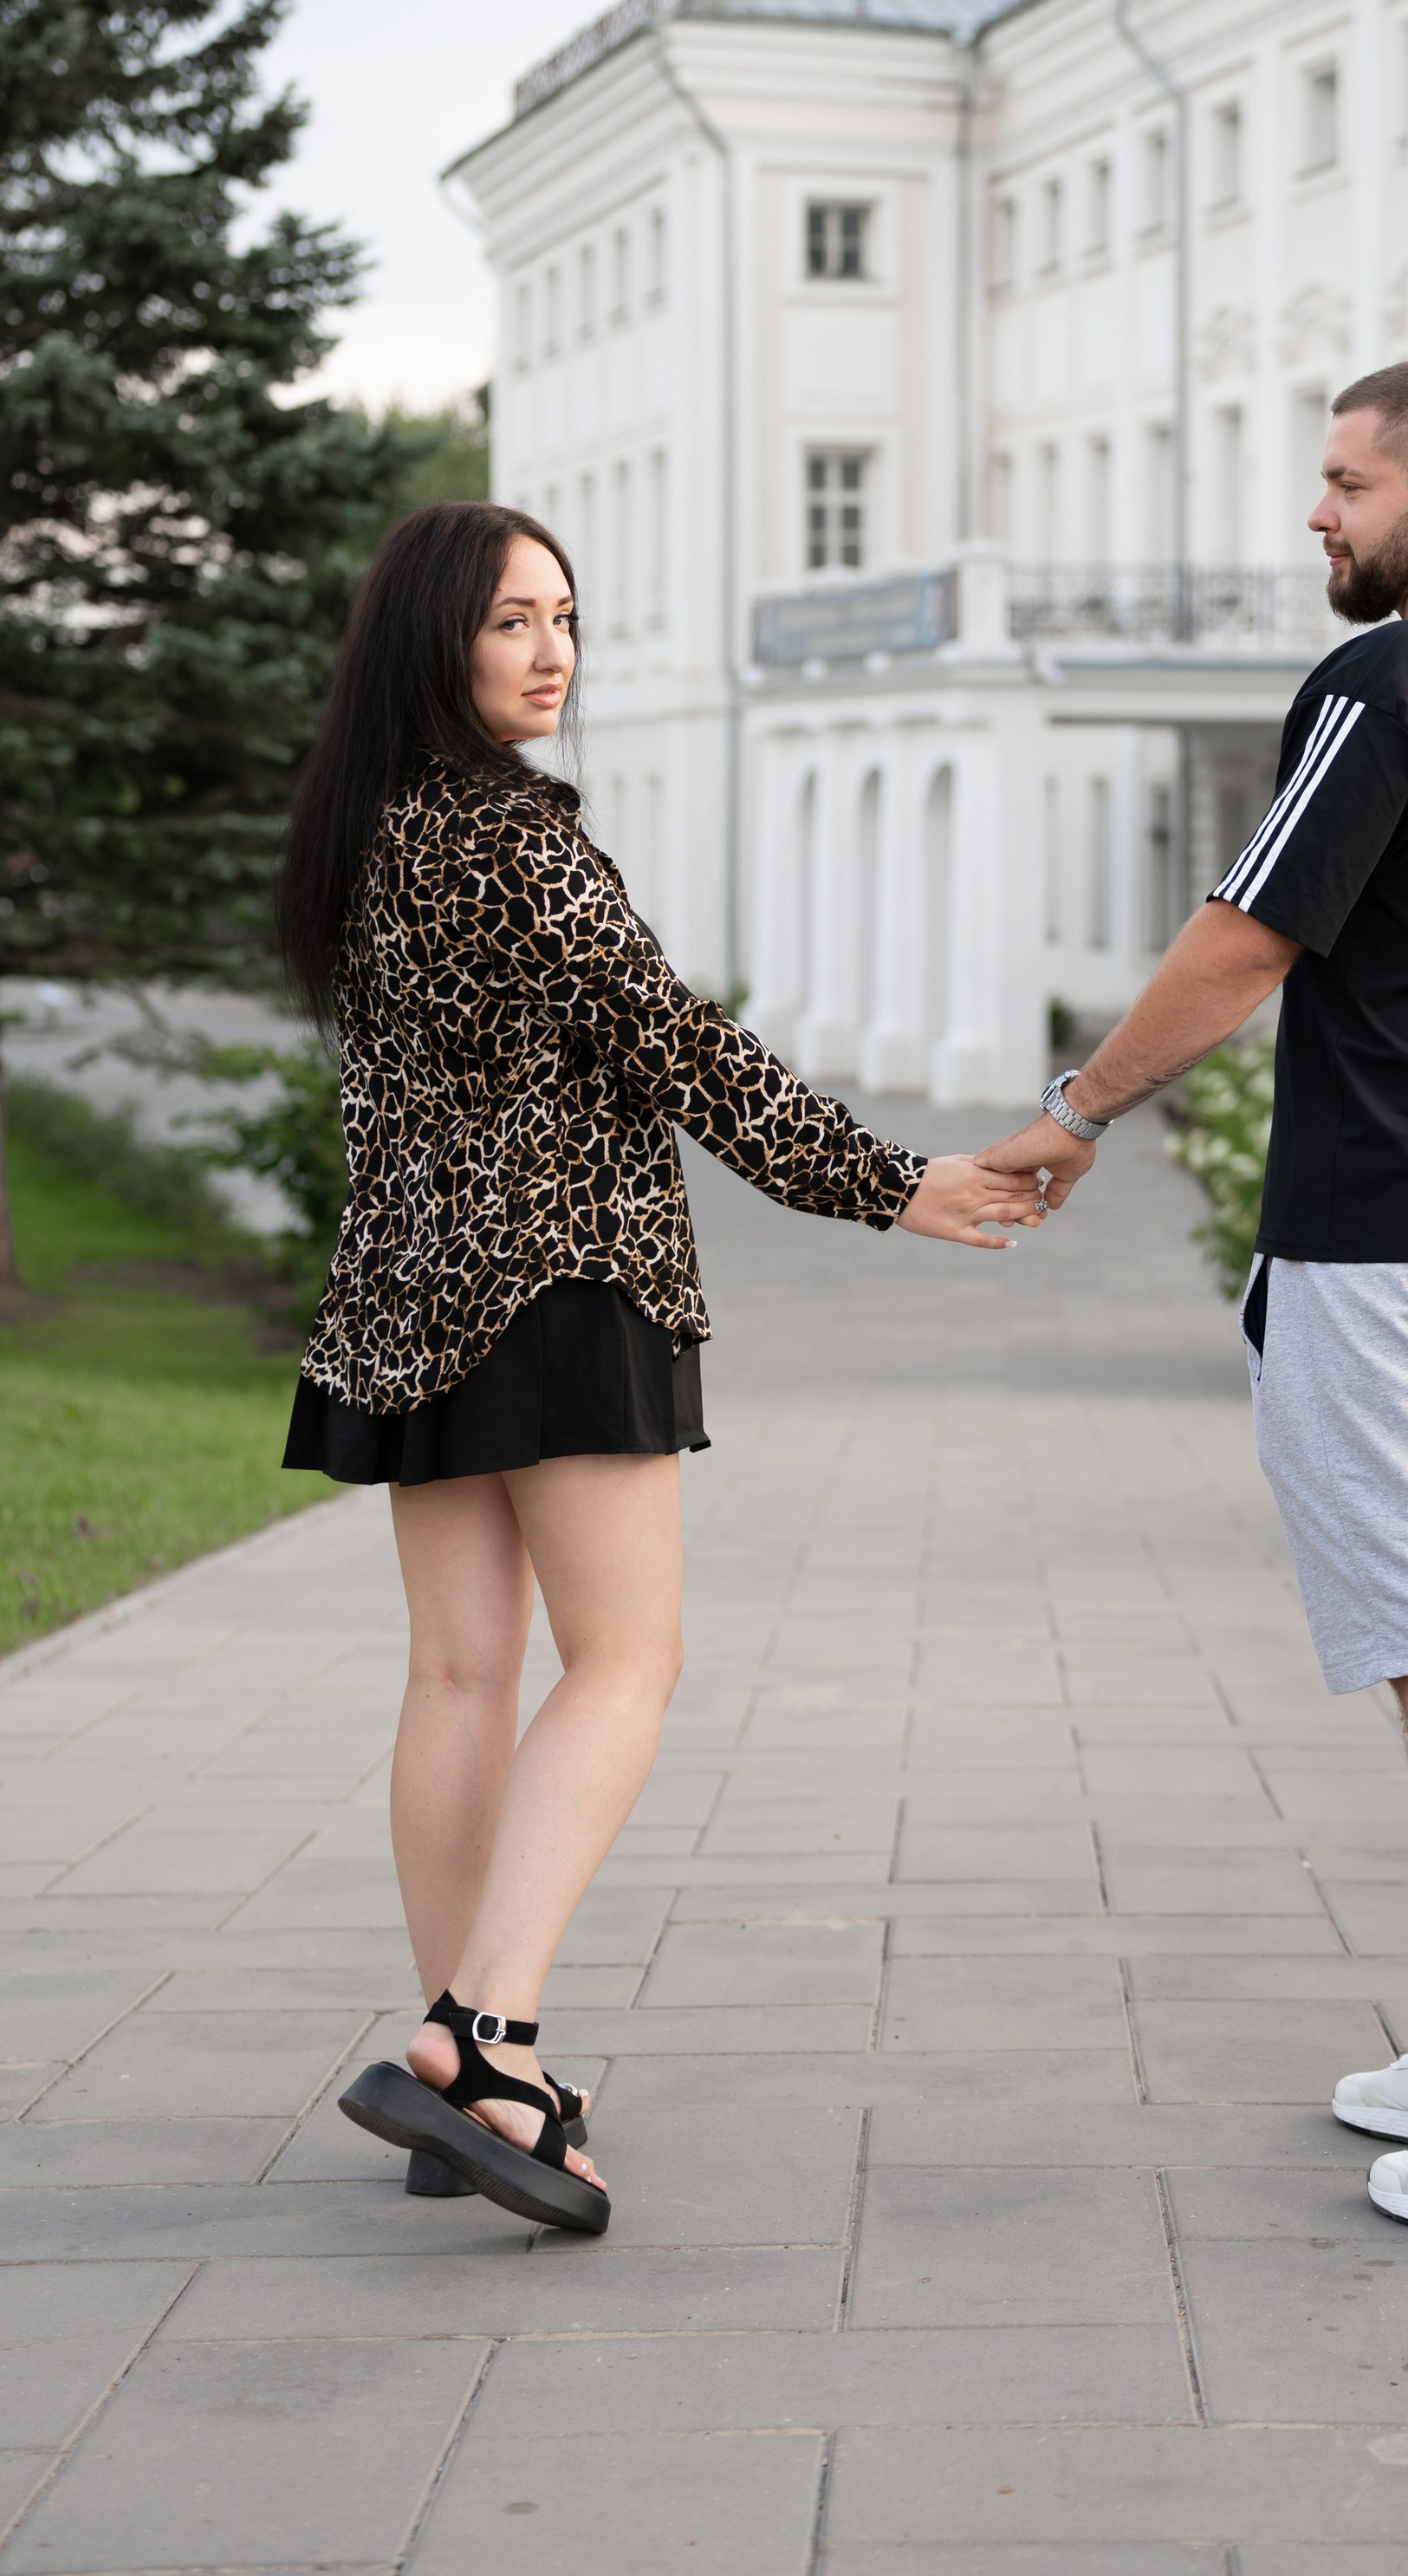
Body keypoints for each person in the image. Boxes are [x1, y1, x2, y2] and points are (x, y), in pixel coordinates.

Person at [277, 503, 1040, 2237]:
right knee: (626, 1662)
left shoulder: (370, 834)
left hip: (406, 1296)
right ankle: (485, 2037)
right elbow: (680, 1043)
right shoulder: (516, 843)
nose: (550, 652)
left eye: (564, 617)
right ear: (431, 647)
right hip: (557, 1284)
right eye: (508, 625)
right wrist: (892, 1181)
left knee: (459, 1678)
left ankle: (455, 2069)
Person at [982, 356, 1408, 2235]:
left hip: (1390, 1238)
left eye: (1345, 486)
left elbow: (1249, 939)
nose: (1314, 516)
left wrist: (1073, 1112)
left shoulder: (1384, 684)